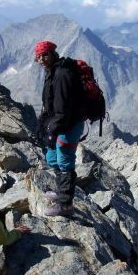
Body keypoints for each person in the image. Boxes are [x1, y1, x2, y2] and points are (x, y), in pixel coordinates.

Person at [34, 40, 85, 217]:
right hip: (59, 124)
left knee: (64, 162)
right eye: (38, 56)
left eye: (45, 54)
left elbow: (63, 110)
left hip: (68, 125)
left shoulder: (62, 74)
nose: (41, 59)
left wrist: (52, 130)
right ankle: (61, 193)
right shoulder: (52, 72)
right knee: (52, 158)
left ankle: (66, 206)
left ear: (53, 54)